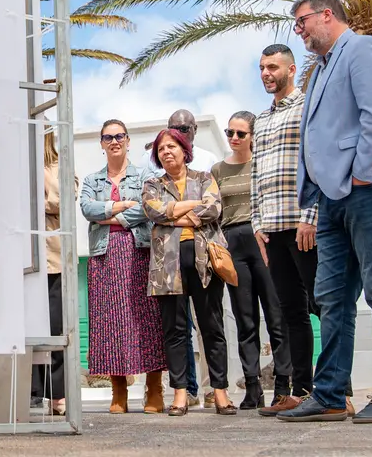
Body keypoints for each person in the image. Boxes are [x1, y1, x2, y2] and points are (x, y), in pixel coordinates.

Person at [278, 0, 372, 425]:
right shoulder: (319, 70)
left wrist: (362, 174)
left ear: (326, 15)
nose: (299, 31)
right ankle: (332, 393)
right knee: (331, 298)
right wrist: (316, 192)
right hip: (332, 198)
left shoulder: (364, 49)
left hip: (370, 191)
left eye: (301, 22)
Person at [142, 128, 234, 416]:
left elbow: (214, 208)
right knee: (175, 331)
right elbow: (153, 211)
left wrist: (173, 215)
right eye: (160, 149)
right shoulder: (152, 184)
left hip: (204, 261)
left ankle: (219, 391)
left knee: (212, 327)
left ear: (185, 150)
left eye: (172, 147)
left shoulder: (205, 178)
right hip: (167, 266)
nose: (166, 152)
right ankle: (180, 393)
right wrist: (187, 209)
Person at [250, 44, 318, 417]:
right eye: (261, 67)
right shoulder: (261, 119)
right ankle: (302, 390)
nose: (265, 73)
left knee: (324, 306)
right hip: (272, 231)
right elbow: (257, 175)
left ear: (291, 69)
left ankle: (339, 390)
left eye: (272, 67)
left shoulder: (309, 107)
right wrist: (258, 226)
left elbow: (318, 162)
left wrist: (311, 215)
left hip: (303, 225)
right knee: (291, 313)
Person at [80, 120, 166, 415]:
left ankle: (154, 388)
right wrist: (120, 206)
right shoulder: (92, 180)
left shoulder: (145, 175)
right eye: (108, 137)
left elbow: (147, 208)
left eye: (119, 136)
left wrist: (109, 216)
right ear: (101, 143)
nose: (114, 141)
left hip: (139, 252)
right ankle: (119, 391)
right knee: (110, 322)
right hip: (104, 256)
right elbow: (86, 209)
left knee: (147, 319)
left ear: (128, 141)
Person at [212, 111, 291, 411]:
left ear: (252, 136)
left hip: (263, 240)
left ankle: (283, 385)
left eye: (240, 133)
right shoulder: (217, 170)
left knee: (276, 315)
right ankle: (253, 387)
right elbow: (214, 212)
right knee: (245, 320)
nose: (233, 138)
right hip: (232, 243)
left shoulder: (263, 164)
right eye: (230, 132)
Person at [31, 130, 70, 415]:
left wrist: (36, 200)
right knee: (27, 327)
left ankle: (57, 394)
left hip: (53, 257)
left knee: (54, 325)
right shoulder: (16, 164)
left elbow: (61, 201)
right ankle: (32, 392)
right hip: (22, 260)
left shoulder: (61, 166)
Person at [143, 110, 218, 173]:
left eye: (183, 129)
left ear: (195, 129)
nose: (178, 133)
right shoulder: (149, 157)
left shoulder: (209, 159)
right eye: (173, 129)